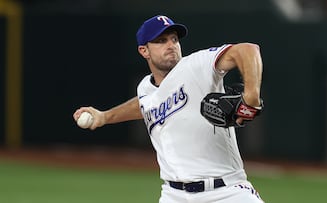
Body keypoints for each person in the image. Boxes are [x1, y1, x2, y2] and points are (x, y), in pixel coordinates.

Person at [73, 15, 264, 203]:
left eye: (174, 39)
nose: (171, 45)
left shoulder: (196, 66)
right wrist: (105, 116)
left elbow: (247, 50)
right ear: (144, 51)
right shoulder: (145, 89)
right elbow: (145, 105)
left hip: (225, 191)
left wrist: (251, 97)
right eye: (161, 41)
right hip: (174, 194)